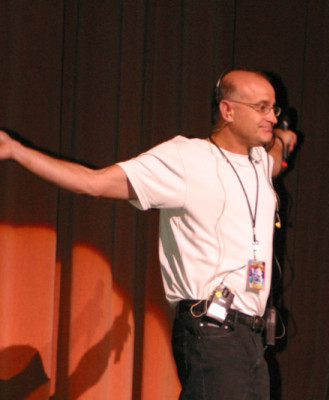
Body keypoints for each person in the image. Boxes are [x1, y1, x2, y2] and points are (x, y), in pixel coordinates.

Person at [0, 69, 297, 399]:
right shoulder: (186, 159)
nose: (271, 116)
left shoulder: (258, 159)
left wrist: (284, 139)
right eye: (261, 107)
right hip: (213, 332)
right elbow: (93, 182)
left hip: (252, 340)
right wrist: (16, 150)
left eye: (274, 110)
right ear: (227, 110)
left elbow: (276, 155)